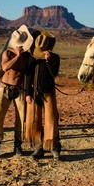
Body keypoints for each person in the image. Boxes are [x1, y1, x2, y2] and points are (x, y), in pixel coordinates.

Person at [0, 25, 33, 157]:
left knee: (22, 119)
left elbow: (28, 74)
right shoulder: (7, 53)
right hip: (5, 89)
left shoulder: (27, 57)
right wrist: (17, 57)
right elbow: (4, 68)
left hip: (19, 90)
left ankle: (18, 146)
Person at [25, 29, 61, 161]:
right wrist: (28, 93)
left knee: (51, 119)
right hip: (34, 94)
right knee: (35, 120)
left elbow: (54, 74)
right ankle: (39, 147)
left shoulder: (55, 57)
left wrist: (48, 61)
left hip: (48, 93)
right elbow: (28, 76)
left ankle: (54, 147)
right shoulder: (31, 58)